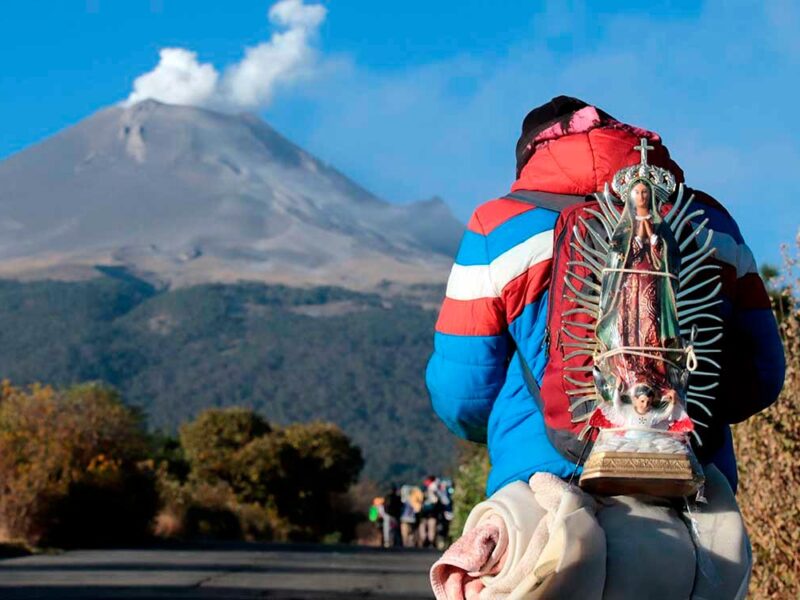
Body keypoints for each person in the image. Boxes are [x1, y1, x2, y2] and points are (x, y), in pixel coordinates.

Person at [426, 95, 785, 498]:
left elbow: (462, 394)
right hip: (691, 474)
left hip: (543, 478)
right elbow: (760, 377)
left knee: (479, 557)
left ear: (530, 159)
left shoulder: (497, 226)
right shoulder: (712, 222)